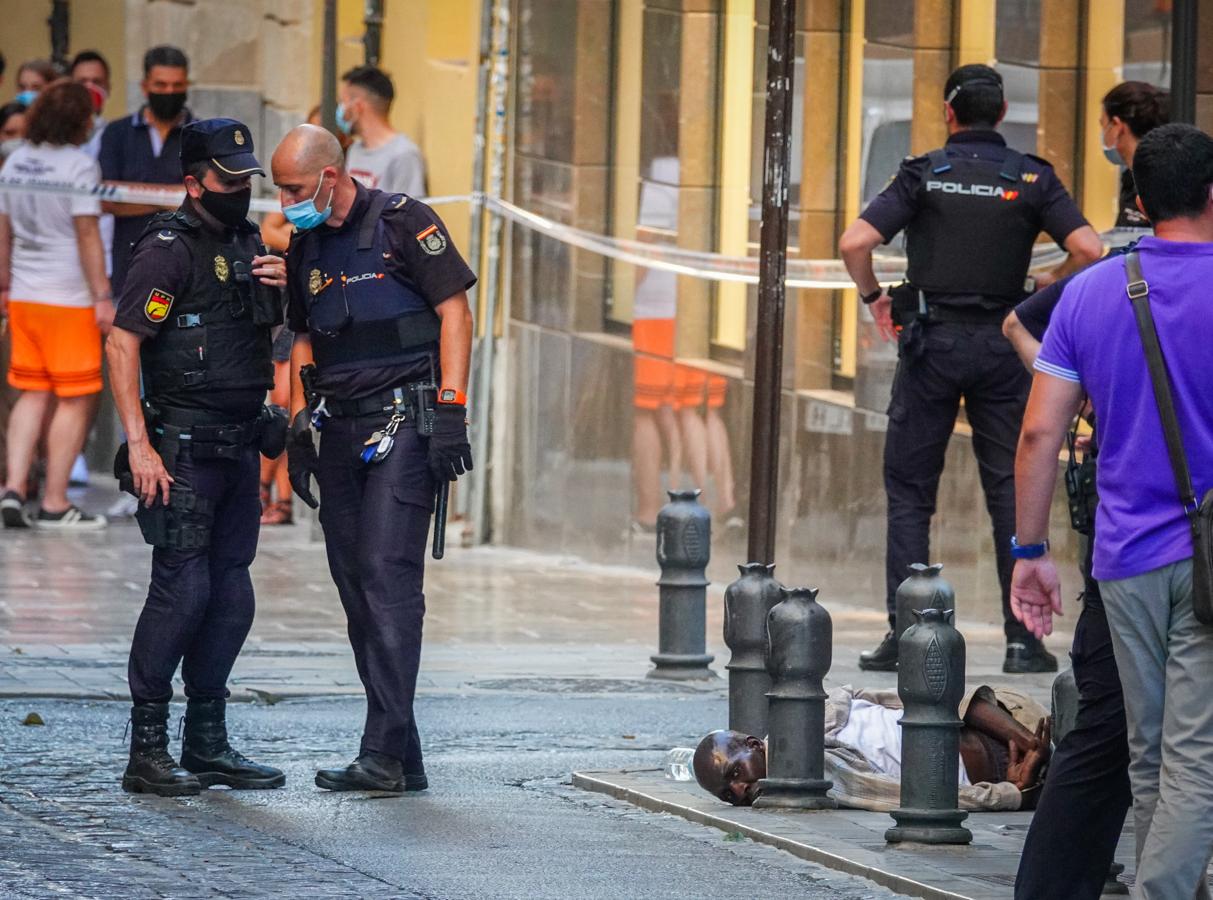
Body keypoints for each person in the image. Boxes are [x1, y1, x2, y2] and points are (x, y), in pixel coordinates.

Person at [838, 64, 1103, 674]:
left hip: (931, 345)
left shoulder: (924, 173)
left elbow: (856, 242)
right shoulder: (1031, 177)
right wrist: (1048, 286)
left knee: (910, 494)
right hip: (1003, 346)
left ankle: (909, 637)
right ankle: (1022, 639)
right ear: (1002, 114)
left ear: (949, 114)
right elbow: (1089, 250)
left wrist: (875, 297)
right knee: (1008, 487)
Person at [1012, 123, 1213, 899]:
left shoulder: (1095, 290)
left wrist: (1027, 549)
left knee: (1147, 749)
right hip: (1207, 563)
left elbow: (1038, 432)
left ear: (1136, 200)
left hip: (1123, 557)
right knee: (1193, 757)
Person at [272, 123, 474, 792]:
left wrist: (451, 408)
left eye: (293, 188)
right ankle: (402, 753)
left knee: (388, 579)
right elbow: (301, 337)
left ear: (330, 176)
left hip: (404, 421)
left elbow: (455, 312)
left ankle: (381, 753)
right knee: (355, 584)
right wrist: (300, 418)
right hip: (338, 425)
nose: (283, 201)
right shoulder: (307, 244)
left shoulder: (402, 221)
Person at [106, 118, 289, 797]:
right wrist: (140, 445)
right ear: (193, 181)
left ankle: (206, 743)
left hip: (240, 445)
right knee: (183, 592)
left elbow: (264, 338)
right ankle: (147, 752)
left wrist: (284, 287)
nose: (240, 188)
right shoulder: (165, 248)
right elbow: (124, 344)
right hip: (181, 449)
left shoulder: (247, 241)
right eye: (227, 177)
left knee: (230, 595)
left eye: (246, 177)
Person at [0, 82, 112, 529]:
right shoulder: (80, 167)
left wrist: (4, 286)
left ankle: (12, 487)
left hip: (26, 297)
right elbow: (87, 234)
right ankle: (54, 501)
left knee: (32, 392)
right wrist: (102, 294)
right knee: (78, 398)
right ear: (79, 120)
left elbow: (2, 231)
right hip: (69, 298)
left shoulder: (15, 162)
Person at [693, 686, 1050, 811]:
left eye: (735, 773)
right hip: (999, 772)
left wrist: (1021, 736)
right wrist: (1012, 794)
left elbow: (916, 695)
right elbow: (899, 796)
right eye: (728, 795)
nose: (739, 790)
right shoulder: (816, 777)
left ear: (754, 745)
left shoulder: (827, 703)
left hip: (1010, 712)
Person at [257, 106, 348, 526]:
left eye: (293, 189)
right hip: (302, 313)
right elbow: (269, 228)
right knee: (281, 400)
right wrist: (295, 255)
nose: (286, 200)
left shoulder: (363, 199)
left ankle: (281, 498)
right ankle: (267, 490)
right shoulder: (304, 219)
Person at [98, 45, 193, 296]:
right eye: (160, 85)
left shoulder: (200, 134)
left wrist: (134, 195)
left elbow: (202, 197)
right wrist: (170, 199)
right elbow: (107, 200)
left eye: (177, 85)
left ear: (187, 85)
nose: (169, 92)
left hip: (186, 265)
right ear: (145, 86)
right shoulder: (117, 133)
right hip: (126, 265)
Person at [339, 65, 425, 197]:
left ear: (358, 107)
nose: (340, 110)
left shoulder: (404, 155)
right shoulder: (354, 150)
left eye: (343, 102)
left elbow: (407, 214)